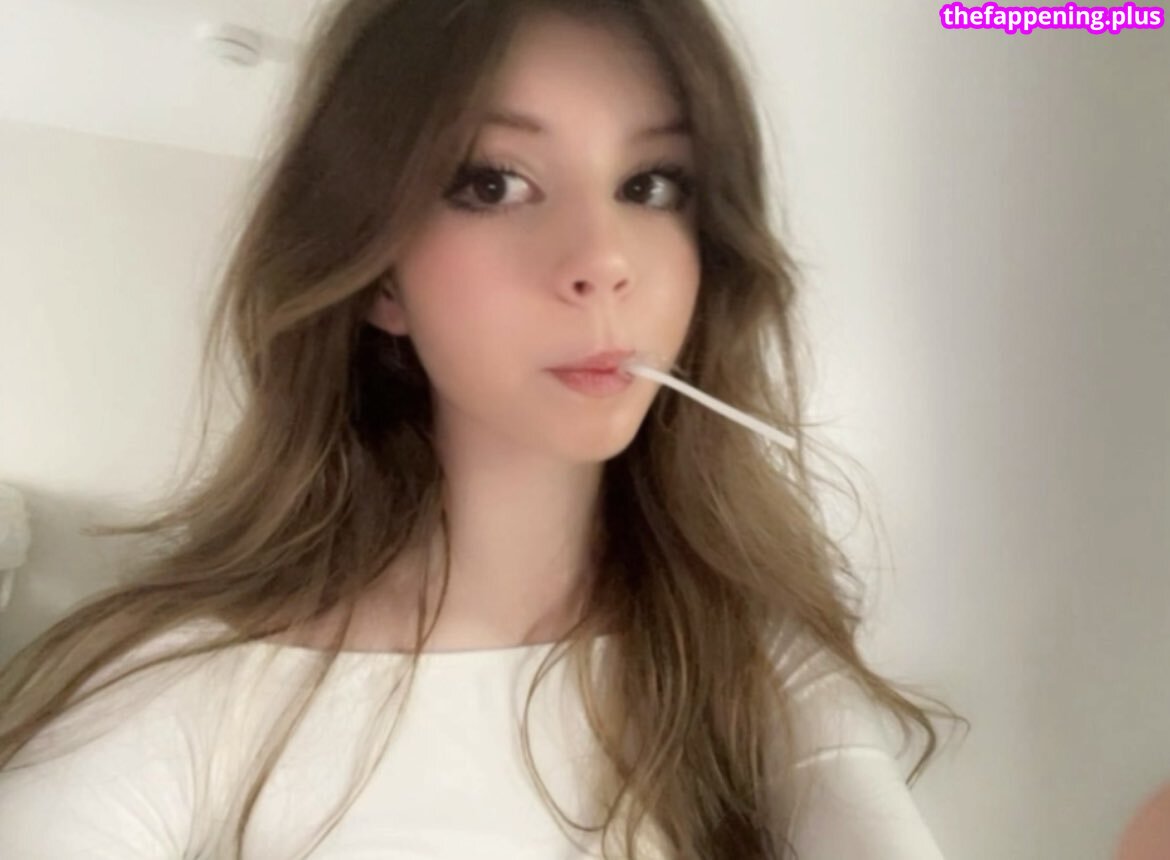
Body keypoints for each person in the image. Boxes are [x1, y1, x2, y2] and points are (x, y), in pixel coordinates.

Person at [0, 0, 963, 857]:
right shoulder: (182, 696)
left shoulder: (750, 666)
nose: (603, 261)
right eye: (493, 183)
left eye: (653, 185)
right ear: (380, 274)